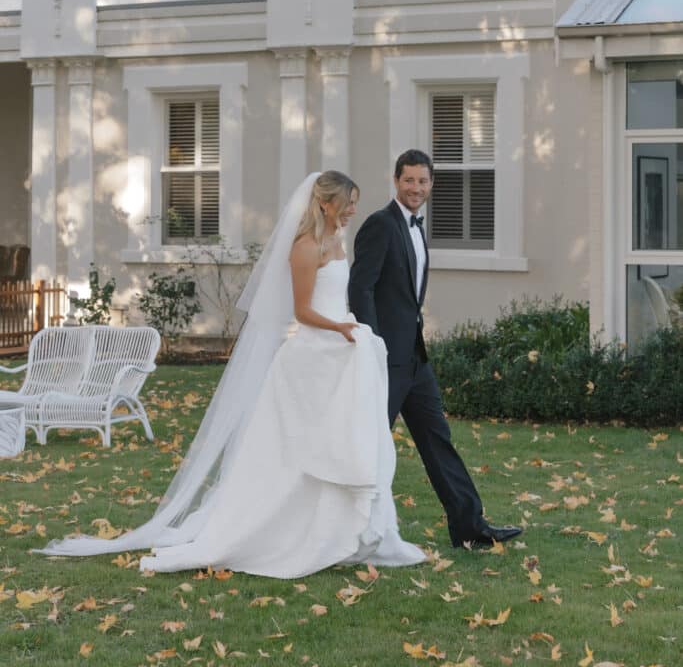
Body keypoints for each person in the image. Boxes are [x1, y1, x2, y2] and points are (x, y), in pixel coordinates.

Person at [39, 171, 424, 577]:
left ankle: (339, 531)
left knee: (339, 440)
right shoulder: (305, 246)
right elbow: (302, 311)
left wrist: (348, 327)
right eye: (348, 203)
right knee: (299, 448)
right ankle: (284, 531)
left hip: (337, 352)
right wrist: (339, 327)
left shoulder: (337, 241)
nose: (352, 210)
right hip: (312, 356)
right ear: (326, 203)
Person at [348, 149, 523, 550]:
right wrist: (373, 345)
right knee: (367, 444)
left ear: (431, 184)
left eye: (423, 181)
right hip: (386, 359)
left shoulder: (414, 226)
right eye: (409, 180)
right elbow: (360, 288)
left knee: (437, 439)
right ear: (396, 180)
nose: (416, 188)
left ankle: (470, 527)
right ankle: (343, 529)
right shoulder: (380, 225)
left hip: (415, 358)